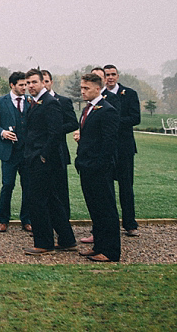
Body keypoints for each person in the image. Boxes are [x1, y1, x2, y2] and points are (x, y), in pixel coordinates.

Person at [23, 69, 77, 255]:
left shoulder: (50, 103)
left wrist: (43, 156)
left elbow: (55, 133)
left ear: (43, 83)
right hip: (35, 157)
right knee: (53, 201)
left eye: (34, 82)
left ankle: (44, 243)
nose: (30, 86)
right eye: (28, 83)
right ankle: (67, 240)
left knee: (37, 201)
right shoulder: (37, 102)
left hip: (44, 161)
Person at [74, 72, 121, 262]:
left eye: (86, 88)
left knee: (106, 210)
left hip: (99, 170)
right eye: (81, 88)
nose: (83, 92)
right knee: (95, 210)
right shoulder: (89, 109)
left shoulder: (107, 110)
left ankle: (110, 251)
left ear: (97, 88)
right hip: (86, 167)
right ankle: (99, 246)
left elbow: (109, 143)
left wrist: (98, 166)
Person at [0, 71, 30, 233]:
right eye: (21, 85)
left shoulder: (31, 101)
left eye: (26, 84)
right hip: (8, 152)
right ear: (12, 85)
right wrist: (2, 132)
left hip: (27, 153)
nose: (25, 87)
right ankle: (3, 220)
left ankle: (26, 219)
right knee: (7, 185)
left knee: (28, 186)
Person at [102, 64, 141, 238]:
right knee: (106, 188)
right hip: (106, 149)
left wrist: (115, 122)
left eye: (113, 74)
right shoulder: (100, 96)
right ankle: (107, 224)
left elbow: (136, 118)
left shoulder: (129, 94)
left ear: (118, 76)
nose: (110, 77)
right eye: (107, 75)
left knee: (126, 187)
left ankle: (130, 224)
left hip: (124, 147)